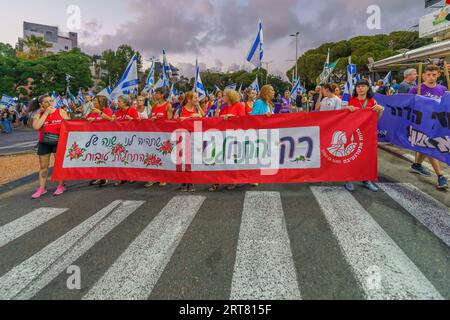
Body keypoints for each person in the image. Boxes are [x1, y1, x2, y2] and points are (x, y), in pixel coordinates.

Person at [409, 64, 448, 189]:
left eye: (434, 75)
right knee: (431, 145)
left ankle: (417, 165)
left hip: (437, 124)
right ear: (423, 75)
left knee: (425, 146)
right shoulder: (416, 89)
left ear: (438, 75)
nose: (431, 77)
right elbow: (407, 106)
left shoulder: (443, 89)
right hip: (421, 124)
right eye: (428, 75)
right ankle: (440, 176)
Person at [345, 79, 385, 193]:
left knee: (366, 158)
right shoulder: (351, 100)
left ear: (368, 88)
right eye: (358, 86)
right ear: (355, 89)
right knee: (351, 156)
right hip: (353, 133)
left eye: (363, 86)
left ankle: (366, 180)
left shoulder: (373, 102)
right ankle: (348, 179)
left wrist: (380, 110)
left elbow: (376, 120)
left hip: (367, 134)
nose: (360, 88)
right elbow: (343, 117)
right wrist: (347, 109)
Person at [30, 95, 70, 199]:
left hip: (59, 141)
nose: (50, 103)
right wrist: (46, 113)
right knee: (43, 166)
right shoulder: (38, 114)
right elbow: (36, 126)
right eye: (46, 102)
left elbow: (69, 125)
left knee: (59, 164)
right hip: (44, 142)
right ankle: (42, 188)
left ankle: (61, 185)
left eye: (51, 101)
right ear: (41, 104)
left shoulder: (61, 111)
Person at [209, 90, 246, 192]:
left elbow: (243, 119)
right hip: (224, 136)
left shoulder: (239, 105)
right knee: (220, 159)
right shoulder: (224, 108)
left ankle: (233, 180)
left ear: (230, 96)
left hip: (235, 136)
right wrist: (218, 106)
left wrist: (231, 117)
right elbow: (216, 118)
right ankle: (217, 182)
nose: (222, 97)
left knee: (232, 159)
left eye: (224, 95)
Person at [175, 91, 204, 192]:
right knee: (182, 160)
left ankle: (190, 182)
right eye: (195, 98)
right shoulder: (180, 110)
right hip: (181, 137)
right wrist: (186, 118)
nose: (197, 99)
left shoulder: (196, 108)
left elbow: (203, 119)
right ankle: (183, 182)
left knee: (190, 161)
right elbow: (173, 121)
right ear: (189, 99)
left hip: (193, 137)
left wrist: (198, 114)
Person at [145, 88, 173, 188]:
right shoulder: (154, 106)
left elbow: (170, 121)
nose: (155, 94)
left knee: (163, 157)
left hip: (164, 135)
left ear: (161, 95)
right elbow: (149, 118)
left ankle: (164, 177)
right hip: (154, 135)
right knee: (153, 156)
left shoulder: (168, 105)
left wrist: (159, 120)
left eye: (157, 93)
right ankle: (153, 177)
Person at [113, 95, 140, 187]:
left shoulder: (132, 110)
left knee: (130, 156)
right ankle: (121, 177)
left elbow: (138, 122)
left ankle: (131, 175)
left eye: (120, 101)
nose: (118, 103)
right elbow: (113, 120)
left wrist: (132, 119)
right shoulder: (118, 111)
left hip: (130, 137)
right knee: (120, 156)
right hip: (120, 136)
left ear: (125, 102)